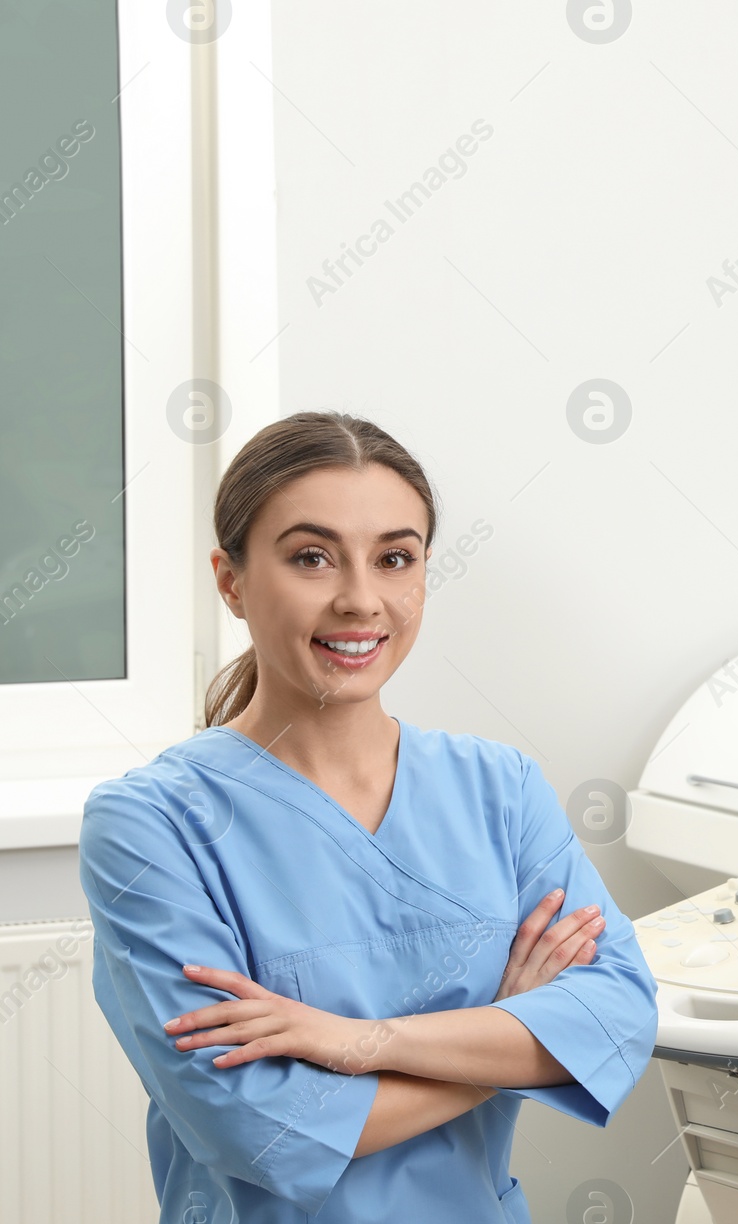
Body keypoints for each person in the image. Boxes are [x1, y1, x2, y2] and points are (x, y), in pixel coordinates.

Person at [77, 412, 657, 1222]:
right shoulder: (150, 827)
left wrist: (346, 1041)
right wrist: (503, 1041)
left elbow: (617, 1015)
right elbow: (256, 1129)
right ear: (231, 580)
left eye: (394, 558)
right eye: (311, 557)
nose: (360, 599)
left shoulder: (499, 788)